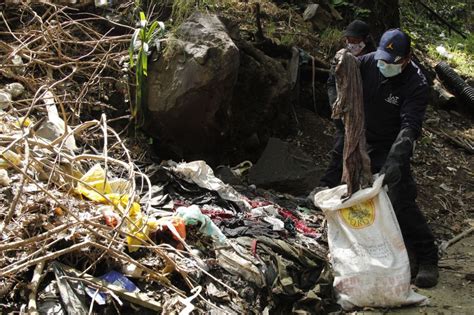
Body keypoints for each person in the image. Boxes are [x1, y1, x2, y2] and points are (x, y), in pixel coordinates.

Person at [319, 29, 439, 288]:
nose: (384, 66)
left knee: (400, 197)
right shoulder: (366, 62)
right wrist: (340, 114)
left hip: (391, 142)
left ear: (406, 59)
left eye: (391, 62)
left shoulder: (416, 83)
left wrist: (396, 159)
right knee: (349, 191)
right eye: (382, 60)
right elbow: (335, 79)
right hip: (359, 135)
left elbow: (410, 126)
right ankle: (366, 250)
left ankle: (427, 256)